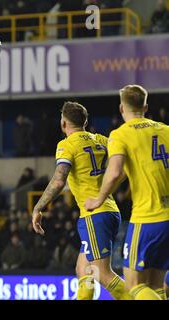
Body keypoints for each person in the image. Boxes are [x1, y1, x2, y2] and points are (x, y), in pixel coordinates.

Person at [32, 102, 131, 300]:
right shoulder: (102, 140)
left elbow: (59, 180)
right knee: (83, 268)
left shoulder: (67, 145)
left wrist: (38, 207)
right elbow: (124, 167)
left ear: (63, 123)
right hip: (108, 210)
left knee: (102, 274)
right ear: (85, 122)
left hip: (95, 216)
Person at [85, 85, 169, 300]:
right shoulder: (165, 130)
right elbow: (126, 171)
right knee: (156, 284)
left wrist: (98, 198)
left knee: (133, 285)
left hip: (148, 218)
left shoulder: (121, 134)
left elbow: (114, 173)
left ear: (122, 108)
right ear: (146, 107)